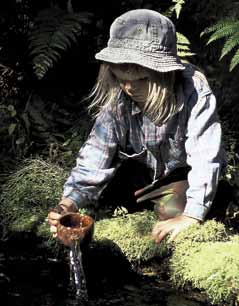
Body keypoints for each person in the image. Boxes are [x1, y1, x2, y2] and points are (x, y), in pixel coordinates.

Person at [47, 9, 226, 244]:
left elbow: (205, 157)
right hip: (138, 176)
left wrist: (191, 216)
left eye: (141, 80)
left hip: (181, 176)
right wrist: (68, 203)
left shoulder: (193, 92)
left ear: (166, 74)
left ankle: (208, 204)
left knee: (171, 211)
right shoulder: (118, 98)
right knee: (99, 208)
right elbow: (96, 154)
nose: (130, 88)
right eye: (122, 79)